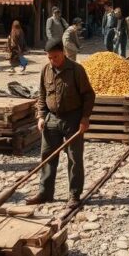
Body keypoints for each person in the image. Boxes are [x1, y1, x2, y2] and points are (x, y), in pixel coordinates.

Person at [28, 38, 95, 207]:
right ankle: (45, 193)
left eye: (56, 57)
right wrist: (41, 116)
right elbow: (42, 95)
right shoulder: (45, 70)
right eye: (49, 57)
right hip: (52, 118)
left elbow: (88, 95)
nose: (53, 60)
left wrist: (85, 118)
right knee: (47, 157)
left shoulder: (76, 70)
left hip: (73, 119)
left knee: (74, 158)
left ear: (63, 53)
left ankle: (74, 195)